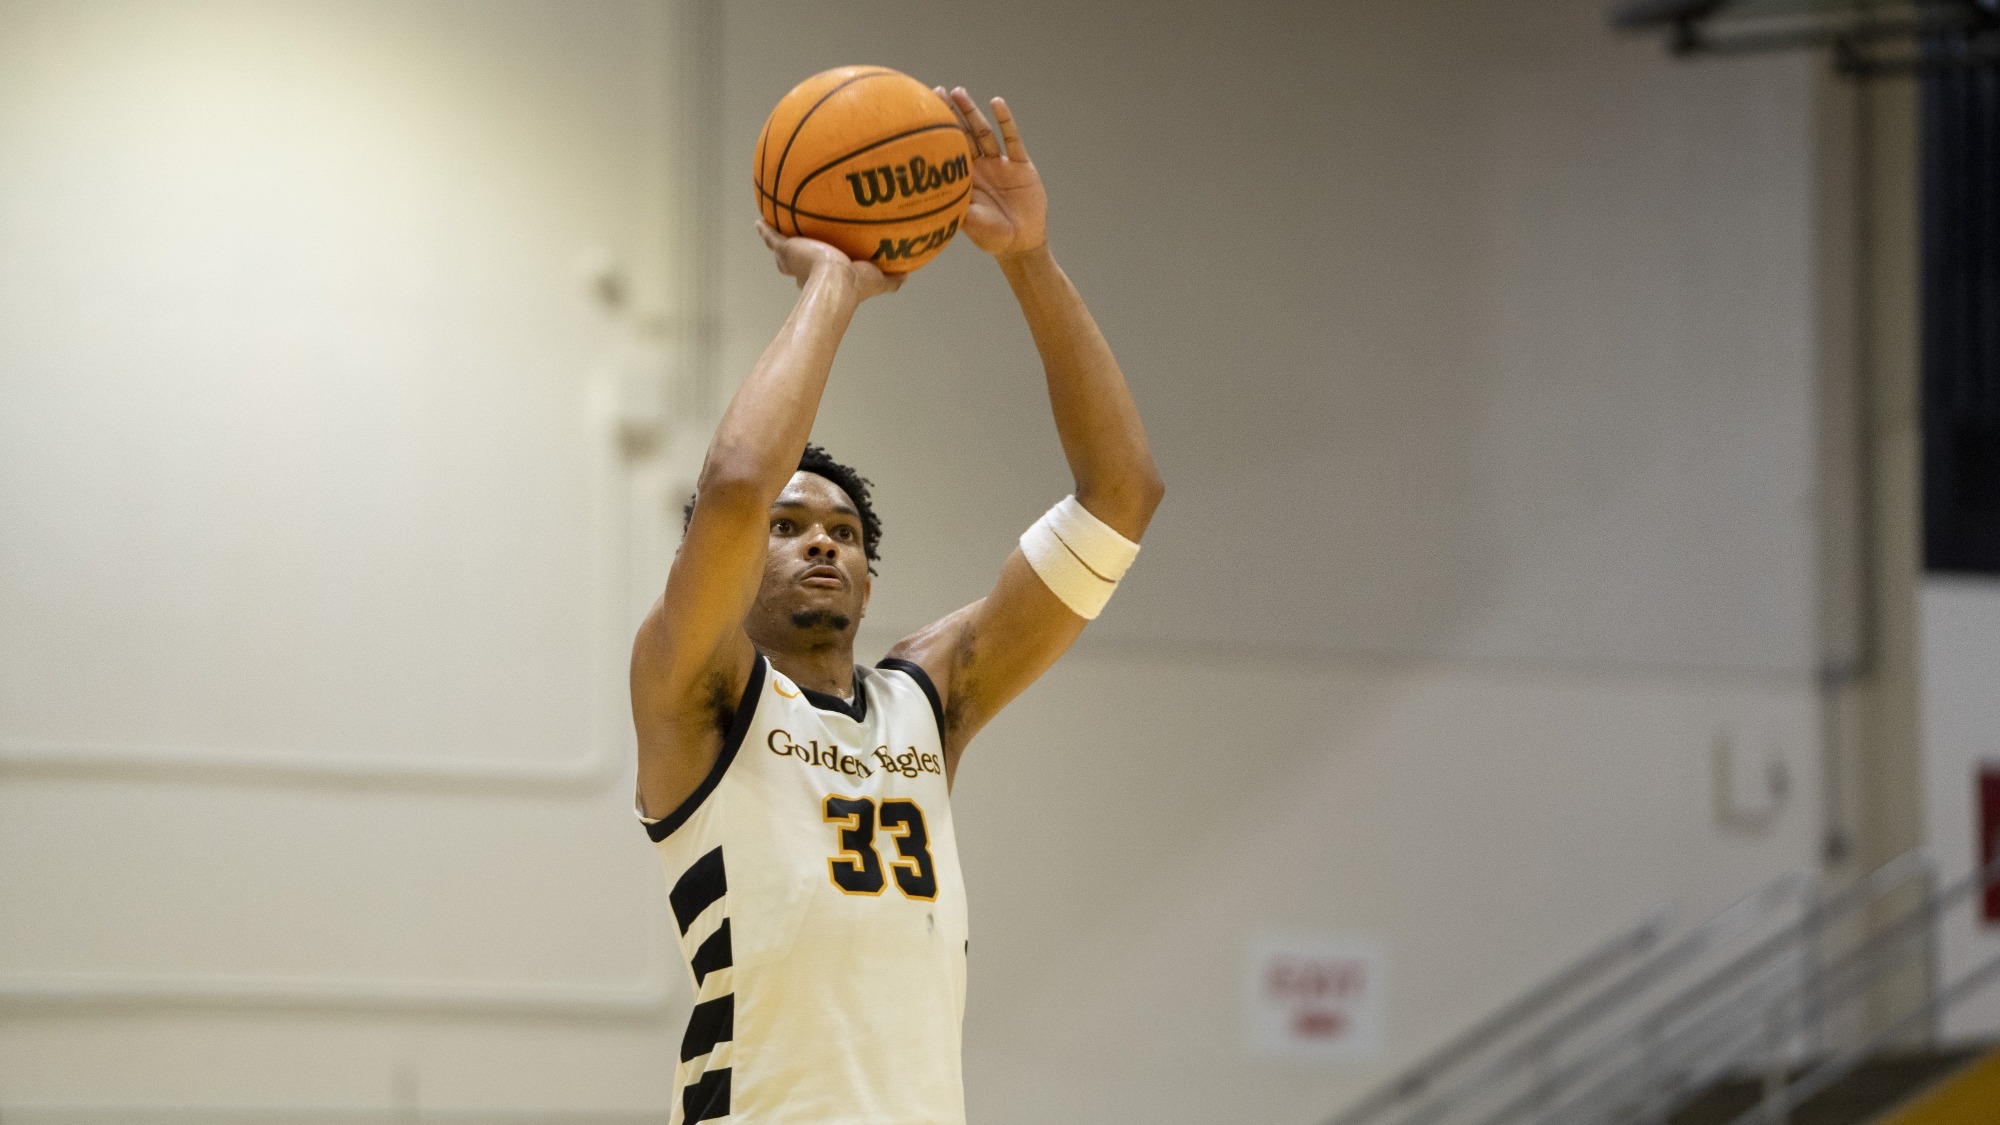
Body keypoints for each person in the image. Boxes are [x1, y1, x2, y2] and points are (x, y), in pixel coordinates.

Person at [631, 86, 1163, 1125]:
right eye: (789, 529)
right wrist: (834, 280)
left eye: (845, 532)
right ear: (728, 564)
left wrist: (1026, 260)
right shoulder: (693, 694)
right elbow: (738, 483)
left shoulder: (929, 697)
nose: (821, 538)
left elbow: (1120, 494)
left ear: (871, 579)